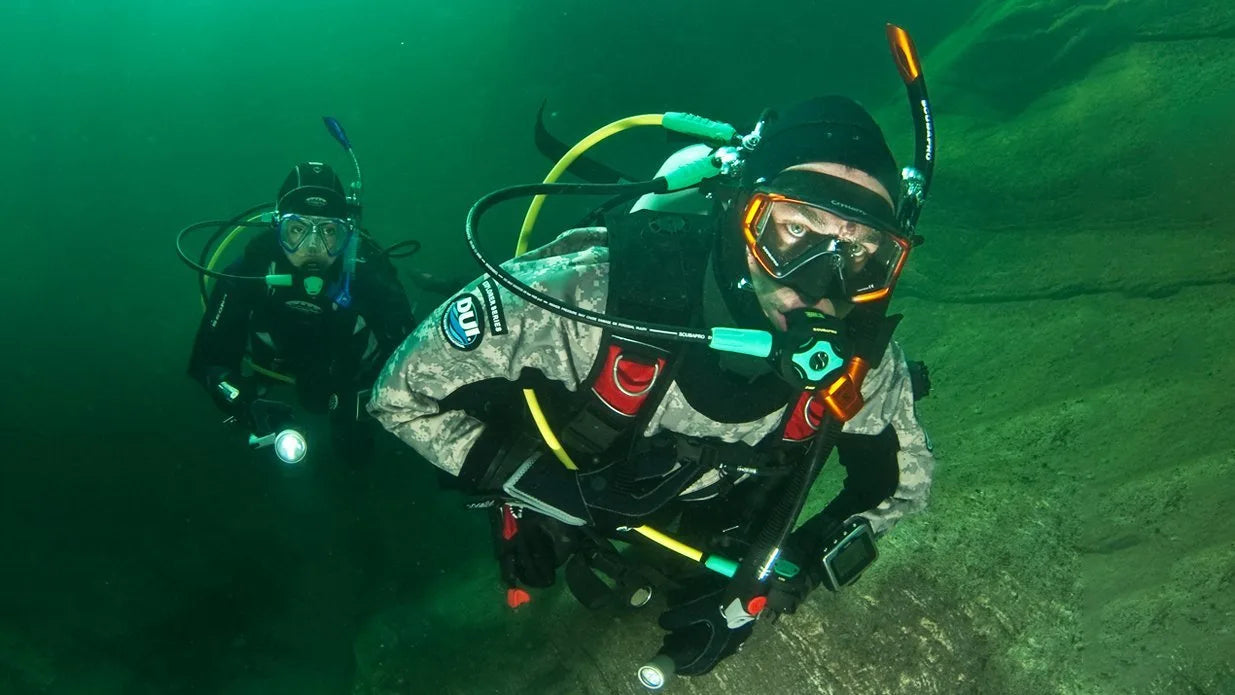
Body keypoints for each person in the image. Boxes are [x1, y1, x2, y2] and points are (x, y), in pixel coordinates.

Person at [368, 93, 935, 679]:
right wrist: (528, 481)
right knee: (535, 550)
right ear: (737, 208)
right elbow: (399, 395)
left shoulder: (868, 366)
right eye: (793, 229)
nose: (820, 285)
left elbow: (901, 486)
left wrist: (783, 580)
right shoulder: (583, 298)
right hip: (566, 478)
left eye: (861, 249)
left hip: (714, 520)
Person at [188, 161, 415, 466]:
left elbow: (409, 357)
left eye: (328, 232)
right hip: (273, 368)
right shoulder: (250, 271)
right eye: (296, 229)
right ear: (276, 227)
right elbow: (208, 361)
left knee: (357, 457)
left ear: (347, 234)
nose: (311, 247)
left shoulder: (368, 273)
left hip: (351, 373)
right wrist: (242, 403)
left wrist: (365, 402)